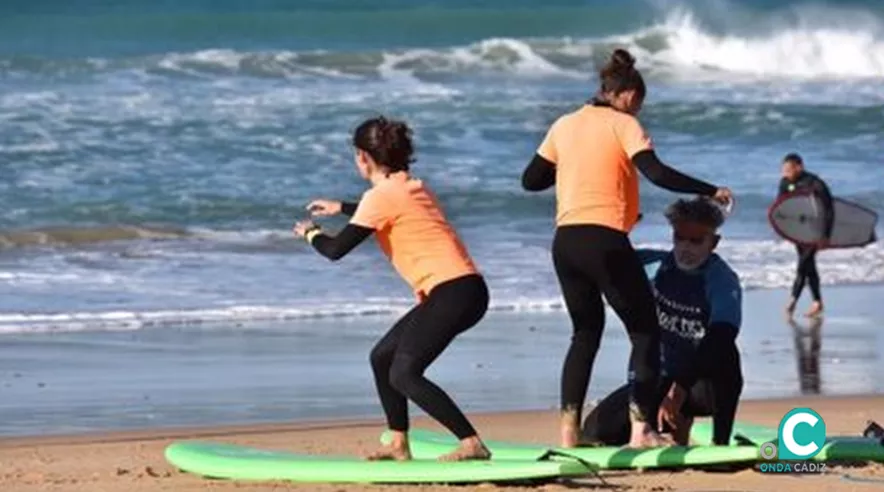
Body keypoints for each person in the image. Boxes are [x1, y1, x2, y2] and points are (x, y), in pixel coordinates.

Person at [521, 48, 733, 448]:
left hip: (565, 243)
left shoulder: (564, 125)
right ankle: (642, 431)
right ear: (630, 97)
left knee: (584, 333)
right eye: (639, 104)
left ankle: (568, 434)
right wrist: (710, 190)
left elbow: (531, 180)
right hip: (604, 240)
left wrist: (575, 168)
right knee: (645, 333)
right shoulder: (624, 124)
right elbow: (656, 172)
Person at [293, 116, 491, 462]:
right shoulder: (411, 185)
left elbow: (336, 250)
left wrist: (310, 232)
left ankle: (471, 442)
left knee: (404, 373)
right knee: (383, 357)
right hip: (464, 290)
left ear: (362, 157)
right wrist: (342, 208)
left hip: (453, 292)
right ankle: (398, 442)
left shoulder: (380, 198)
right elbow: (383, 210)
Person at [580, 197, 743, 447]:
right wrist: (621, 229)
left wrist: (680, 388)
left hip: (703, 385)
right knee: (595, 431)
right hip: (662, 377)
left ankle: (719, 441)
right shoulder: (656, 265)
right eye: (679, 238)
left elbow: (720, 340)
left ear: (714, 242)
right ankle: (672, 432)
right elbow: (606, 258)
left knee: (725, 352)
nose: (685, 248)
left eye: (696, 241)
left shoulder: (721, 280)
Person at [777, 152, 833, 318]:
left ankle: (793, 300)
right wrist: (784, 230)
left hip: (815, 230)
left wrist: (825, 235)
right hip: (798, 231)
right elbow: (780, 207)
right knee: (809, 266)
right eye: (783, 169)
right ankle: (817, 302)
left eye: (788, 169)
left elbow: (829, 210)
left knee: (803, 264)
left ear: (799, 167)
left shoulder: (815, 183)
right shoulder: (784, 183)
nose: (784, 173)